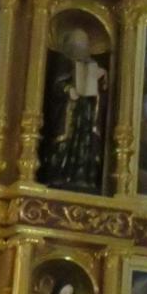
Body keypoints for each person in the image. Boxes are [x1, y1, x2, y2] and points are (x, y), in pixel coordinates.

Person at [40, 27, 108, 192]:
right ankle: (59, 175)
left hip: (87, 115)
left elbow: (102, 94)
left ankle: (83, 177)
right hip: (67, 113)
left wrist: (102, 78)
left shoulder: (92, 65)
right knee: (64, 144)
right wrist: (68, 90)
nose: (80, 49)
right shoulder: (63, 63)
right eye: (77, 45)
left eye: (83, 45)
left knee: (86, 145)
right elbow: (56, 86)